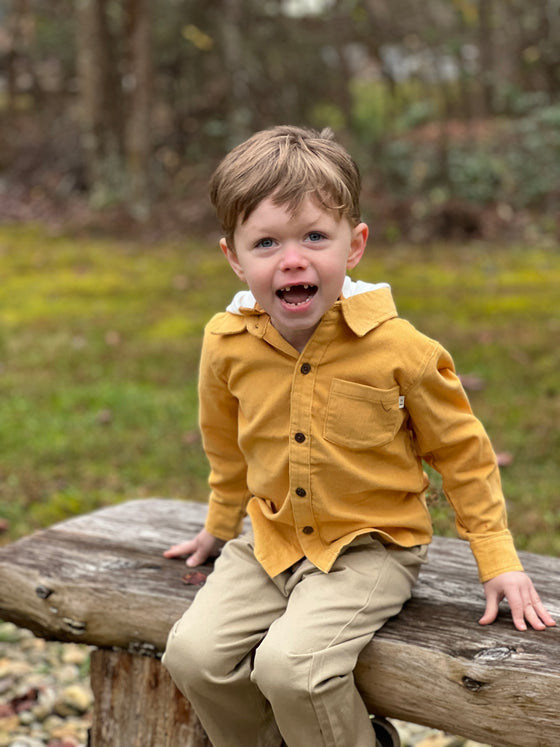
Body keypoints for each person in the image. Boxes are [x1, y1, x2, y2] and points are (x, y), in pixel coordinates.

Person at [162, 125, 555, 747]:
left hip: (372, 549)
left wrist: (498, 558)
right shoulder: (226, 341)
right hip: (272, 541)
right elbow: (224, 442)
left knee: (292, 669)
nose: (293, 259)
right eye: (266, 242)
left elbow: (463, 455)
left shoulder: (400, 348)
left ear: (355, 245)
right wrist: (218, 524)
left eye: (315, 236)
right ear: (233, 257)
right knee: (192, 657)